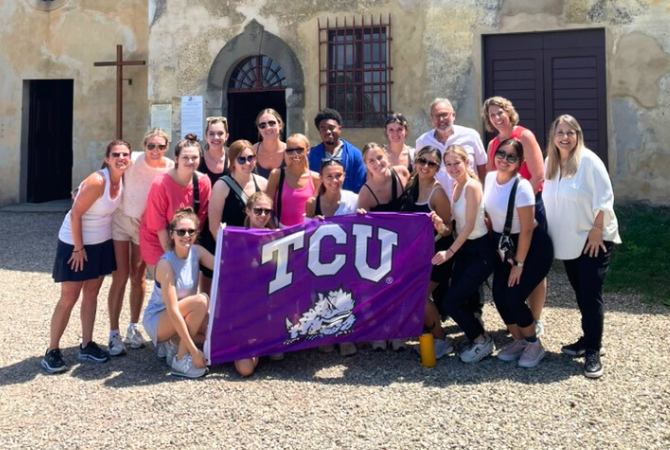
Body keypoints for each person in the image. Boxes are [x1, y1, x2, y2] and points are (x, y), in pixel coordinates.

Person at [41, 140, 130, 373]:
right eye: (116, 154)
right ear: (107, 158)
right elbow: (75, 215)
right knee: (69, 297)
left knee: (91, 294)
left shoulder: (122, 179)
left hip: (100, 243)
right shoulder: (97, 181)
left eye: (125, 154)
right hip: (75, 243)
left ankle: (87, 344)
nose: (121, 158)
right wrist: (78, 249)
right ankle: (52, 350)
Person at [543, 115, 621, 379]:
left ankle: (593, 350)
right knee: (581, 292)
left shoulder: (589, 161)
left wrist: (597, 231)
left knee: (590, 293)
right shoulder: (550, 164)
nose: (565, 137)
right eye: (560, 132)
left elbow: (605, 198)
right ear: (553, 136)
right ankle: (588, 337)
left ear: (578, 135)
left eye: (570, 132)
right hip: (569, 241)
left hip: (593, 240)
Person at [483, 139, 554, 368]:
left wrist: (519, 264)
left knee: (513, 297)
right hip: (506, 246)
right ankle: (520, 341)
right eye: (501, 154)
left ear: (519, 163)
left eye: (511, 157)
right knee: (499, 296)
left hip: (532, 247)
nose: (504, 159)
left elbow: (525, 230)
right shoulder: (489, 178)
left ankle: (534, 344)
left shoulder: (521, 187)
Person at [482, 96, 547, 336]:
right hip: (504, 216)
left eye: (500, 112)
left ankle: (536, 318)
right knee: (510, 261)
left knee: (534, 265)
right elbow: (491, 180)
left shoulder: (524, 136)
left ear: (509, 112)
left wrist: (518, 203)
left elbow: (538, 175)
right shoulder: (492, 145)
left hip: (529, 205)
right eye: (491, 115)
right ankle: (518, 315)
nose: (497, 118)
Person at [107, 129, 174, 357]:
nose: (155, 151)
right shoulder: (133, 158)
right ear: (144, 146)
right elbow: (110, 168)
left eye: (160, 146)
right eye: (151, 146)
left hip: (146, 226)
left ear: (166, 147)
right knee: (120, 275)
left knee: (138, 275)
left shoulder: (170, 166)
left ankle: (133, 327)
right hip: (122, 218)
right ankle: (113, 332)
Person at [432, 145, 495, 363]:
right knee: (456, 299)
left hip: (480, 250)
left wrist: (449, 253)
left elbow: (469, 226)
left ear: (466, 162)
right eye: (448, 164)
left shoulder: (472, 186)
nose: (452, 168)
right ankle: (477, 335)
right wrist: (440, 225)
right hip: (466, 250)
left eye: (456, 163)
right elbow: (458, 224)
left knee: (451, 301)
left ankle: (482, 341)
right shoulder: (456, 185)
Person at [142, 208, 215, 378]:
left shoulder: (197, 252)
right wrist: (194, 351)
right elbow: (173, 310)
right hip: (159, 318)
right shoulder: (166, 264)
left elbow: (223, 265)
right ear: (172, 234)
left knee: (214, 333)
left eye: (191, 231)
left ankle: (174, 342)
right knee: (201, 301)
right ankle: (181, 360)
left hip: (183, 313)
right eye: (181, 231)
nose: (186, 235)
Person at [399, 146, 454, 360]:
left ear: (438, 168)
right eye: (423, 161)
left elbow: (449, 228)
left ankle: (441, 340)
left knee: (419, 294)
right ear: (416, 161)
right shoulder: (411, 184)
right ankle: (429, 334)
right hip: (415, 255)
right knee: (414, 294)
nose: (426, 166)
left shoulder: (437, 192)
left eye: (432, 164)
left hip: (436, 255)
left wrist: (440, 226)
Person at [305, 158, 361, 356]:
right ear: (321, 178)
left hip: (347, 258)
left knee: (344, 295)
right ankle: (326, 334)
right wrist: (312, 223)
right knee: (322, 296)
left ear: (344, 176)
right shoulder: (312, 203)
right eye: (329, 176)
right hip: (322, 260)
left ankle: (345, 336)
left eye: (338, 175)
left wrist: (363, 215)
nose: (334, 180)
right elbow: (305, 234)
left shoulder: (354, 199)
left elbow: (365, 228)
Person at [140, 134, 211, 278]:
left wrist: (185, 251)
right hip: (157, 238)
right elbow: (159, 226)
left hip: (184, 237)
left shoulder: (203, 182)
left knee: (185, 285)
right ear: (176, 159)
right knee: (167, 282)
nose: (190, 161)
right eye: (185, 157)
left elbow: (200, 220)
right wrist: (174, 259)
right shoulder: (161, 184)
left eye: (194, 157)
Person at [415, 98, 487, 201]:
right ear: (431, 120)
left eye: (444, 115)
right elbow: (419, 172)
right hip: (437, 203)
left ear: (453, 115)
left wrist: (482, 197)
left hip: (468, 200)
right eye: (437, 116)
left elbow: (482, 168)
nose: (441, 120)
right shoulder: (423, 141)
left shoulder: (471, 136)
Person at [209, 140, 267, 239]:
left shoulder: (263, 183)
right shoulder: (221, 186)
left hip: (257, 244)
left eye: (250, 158)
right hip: (232, 245)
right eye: (241, 159)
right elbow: (214, 227)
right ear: (233, 162)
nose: (247, 163)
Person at [198, 117, 230, 294]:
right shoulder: (199, 159)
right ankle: (205, 311)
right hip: (203, 221)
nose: (216, 137)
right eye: (212, 133)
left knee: (227, 268)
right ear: (205, 135)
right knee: (206, 271)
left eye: (220, 133)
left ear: (227, 136)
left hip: (226, 219)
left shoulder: (232, 159)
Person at [266, 133, 320, 228]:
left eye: (299, 150)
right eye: (290, 150)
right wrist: (275, 231)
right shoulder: (277, 175)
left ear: (308, 150)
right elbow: (267, 207)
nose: (295, 154)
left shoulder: (316, 178)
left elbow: (319, 210)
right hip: (281, 232)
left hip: (306, 233)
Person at [308, 108, 366, 193]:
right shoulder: (312, 155)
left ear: (339, 128)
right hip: (321, 204)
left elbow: (359, 185)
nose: (327, 131)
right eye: (323, 128)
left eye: (331, 128)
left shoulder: (354, 154)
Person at [357, 143, 411, 214]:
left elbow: (417, 197)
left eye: (379, 157)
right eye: (371, 161)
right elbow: (365, 224)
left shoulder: (402, 173)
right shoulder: (365, 194)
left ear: (387, 156)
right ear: (366, 164)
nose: (378, 163)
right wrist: (361, 216)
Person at [253, 108, 286, 178]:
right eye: (262, 125)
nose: (268, 128)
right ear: (259, 129)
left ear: (280, 124)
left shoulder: (290, 151)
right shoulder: (252, 152)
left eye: (271, 123)